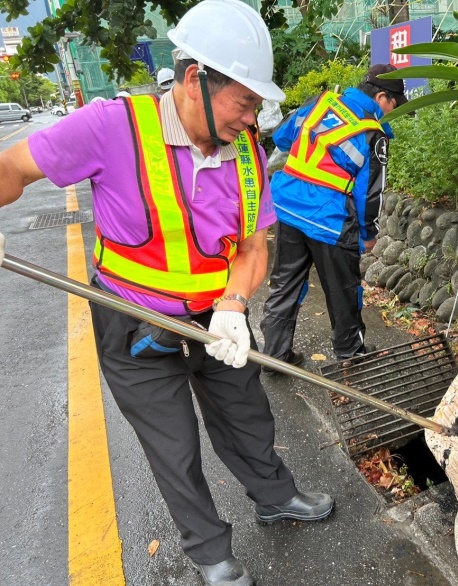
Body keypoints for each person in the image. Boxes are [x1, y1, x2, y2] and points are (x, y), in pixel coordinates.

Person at [0, 1, 333, 585]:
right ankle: (210, 553)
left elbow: (255, 247)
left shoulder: (247, 150)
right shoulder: (110, 126)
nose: (252, 116)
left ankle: (275, 497)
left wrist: (233, 305)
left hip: (215, 318)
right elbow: (14, 168)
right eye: (244, 100)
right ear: (194, 79)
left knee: (247, 414)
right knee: (172, 441)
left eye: (257, 103)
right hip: (133, 319)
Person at [260, 64, 405, 367]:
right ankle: (349, 354)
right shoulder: (371, 133)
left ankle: (274, 353)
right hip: (330, 219)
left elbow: (284, 137)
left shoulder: (320, 102)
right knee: (343, 289)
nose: (391, 113)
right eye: (393, 105)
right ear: (381, 97)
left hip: (287, 207)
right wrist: (368, 235)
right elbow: (369, 193)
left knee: (285, 281)